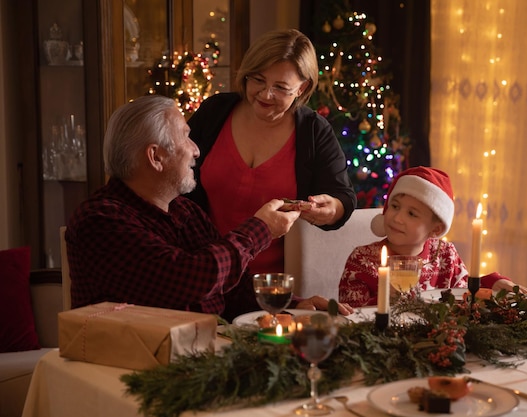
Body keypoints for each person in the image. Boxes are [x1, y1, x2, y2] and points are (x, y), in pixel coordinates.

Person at [65, 95, 352, 321]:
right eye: (186, 137)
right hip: (132, 373)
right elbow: (189, 278)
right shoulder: (100, 220)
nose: (196, 149)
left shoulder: (184, 212)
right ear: (156, 157)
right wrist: (260, 229)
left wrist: (294, 306)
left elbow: (231, 290)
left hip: (201, 358)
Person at [185, 28, 357, 276]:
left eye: (280, 87)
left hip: (273, 285)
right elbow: (174, 174)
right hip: (204, 270)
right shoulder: (215, 111)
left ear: (302, 87)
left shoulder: (313, 131)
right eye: (257, 80)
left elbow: (344, 197)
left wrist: (332, 209)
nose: (266, 94)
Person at [338, 166, 527, 307]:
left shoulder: (445, 255)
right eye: (395, 206)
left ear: (435, 230)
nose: (397, 217)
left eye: (412, 214)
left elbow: (464, 293)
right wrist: (385, 301)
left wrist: (493, 282)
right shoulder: (362, 261)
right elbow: (350, 317)